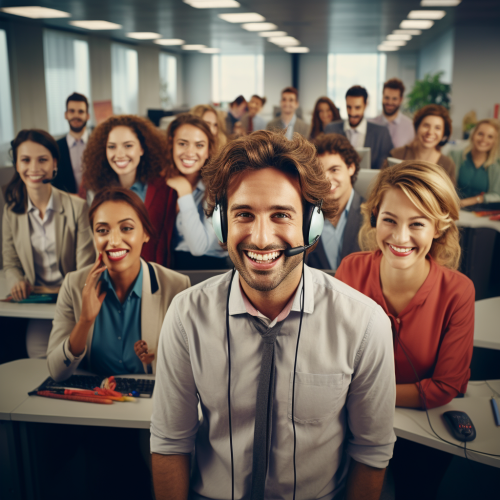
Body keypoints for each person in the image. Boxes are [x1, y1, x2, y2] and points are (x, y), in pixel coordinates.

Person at [151, 130, 396, 500]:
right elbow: (170, 443)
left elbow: (371, 452)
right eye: (243, 214)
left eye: (281, 214)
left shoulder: (363, 324)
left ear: (311, 224)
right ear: (221, 224)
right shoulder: (186, 317)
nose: (262, 238)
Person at [335, 160, 474, 500]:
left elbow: (446, 386)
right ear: (374, 219)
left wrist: (361, 394)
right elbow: (330, 359)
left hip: (421, 434)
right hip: (353, 426)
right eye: (389, 220)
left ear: (438, 227)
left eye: (417, 224)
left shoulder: (458, 291)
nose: (400, 237)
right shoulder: (352, 270)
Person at [46, 187, 190, 381]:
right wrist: (85, 322)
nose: (113, 241)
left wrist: (157, 356)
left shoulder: (176, 287)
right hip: (92, 402)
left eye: (126, 228)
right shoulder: (73, 285)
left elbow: (189, 367)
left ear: (146, 233)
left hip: (148, 405)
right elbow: (56, 372)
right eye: (102, 231)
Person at [3, 129, 95, 358]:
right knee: (36, 353)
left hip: (73, 302)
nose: (33, 167)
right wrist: (17, 281)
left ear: (54, 164)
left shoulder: (77, 207)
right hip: (39, 302)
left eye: (42, 159)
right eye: (25, 160)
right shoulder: (11, 212)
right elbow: (10, 261)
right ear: (16, 164)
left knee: (79, 356)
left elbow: (86, 268)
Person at [81, 115, 176, 267]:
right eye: (112, 147)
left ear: (142, 148)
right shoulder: (94, 190)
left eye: (128, 146)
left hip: (153, 277)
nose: (119, 154)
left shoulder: (163, 189)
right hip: (110, 276)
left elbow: (164, 243)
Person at [164, 113, 229, 270]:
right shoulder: (164, 184)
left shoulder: (216, 187)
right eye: (183, 144)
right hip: (171, 270)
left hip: (209, 271)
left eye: (199, 145)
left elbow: (199, 248)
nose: (190, 152)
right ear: (171, 144)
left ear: (208, 151)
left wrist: (185, 193)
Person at [307, 133, 364, 270]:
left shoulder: (373, 214)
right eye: (319, 172)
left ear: (351, 168)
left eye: (334, 170)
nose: (326, 179)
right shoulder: (306, 217)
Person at [384, 104, 456, 185]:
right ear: (417, 127)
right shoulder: (396, 155)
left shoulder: (448, 165)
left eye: (437, 128)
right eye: (426, 125)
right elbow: (382, 188)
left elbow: (448, 197)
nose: (430, 132)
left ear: (443, 134)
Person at [325, 85, 393, 169]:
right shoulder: (331, 130)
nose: (352, 113)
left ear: (365, 105)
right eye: (348, 107)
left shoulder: (382, 133)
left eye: (357, 107)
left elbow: (385, 168)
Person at [449, 118, 500, 207]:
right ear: (473, 135)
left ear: (495, 141)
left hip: (481, 214)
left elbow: (497, 195)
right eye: (480, 134)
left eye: (490, 136)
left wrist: (476, 200)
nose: (484, 139)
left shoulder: (496, 166)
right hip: (452, 208)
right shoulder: (454, 156)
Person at [53, 92, 90, 194]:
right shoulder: (55, 147)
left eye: (81, 112)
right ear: (66, 115)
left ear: (87, 116)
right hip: (66, 205)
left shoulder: (98, 144)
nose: (76, 115)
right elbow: (54, 182)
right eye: (72, 111)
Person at [370, 78, 415, 148]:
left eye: (394, 99)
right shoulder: (371, 124)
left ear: (400, 100)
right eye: (386, 98)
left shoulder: (410, 126)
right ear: (382, 97)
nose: (390, 102)